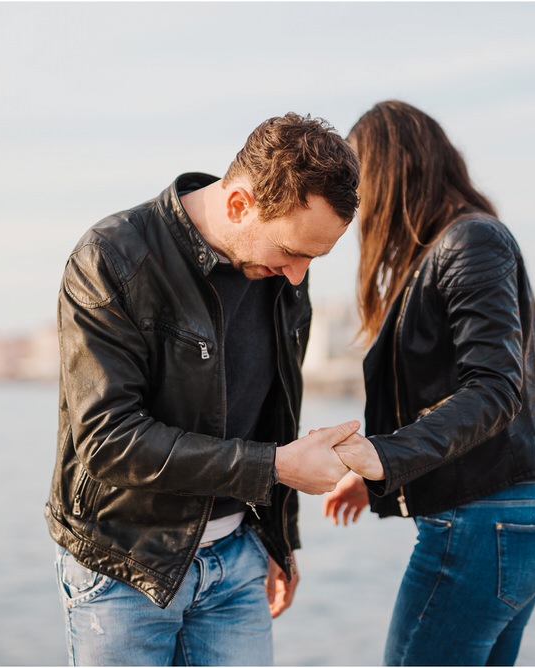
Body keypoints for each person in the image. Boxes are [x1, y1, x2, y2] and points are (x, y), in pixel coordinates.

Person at [45, 112, 363, 666]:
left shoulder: (285, 277)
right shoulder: (111, 259)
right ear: (239, 205)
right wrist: (277, 469)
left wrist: (279, 543)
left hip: (239, 560)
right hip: (125, 567)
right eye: (291, 252)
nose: (297, 275)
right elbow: (107, 441)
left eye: (314, 259)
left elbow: (275, 418)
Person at [324, 100, 535, 666]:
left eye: (358, 184)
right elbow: (458, 391)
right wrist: (377, 478)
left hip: (484, 525)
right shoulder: (453, 247)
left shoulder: (469, 242)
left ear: (391, 173)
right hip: (508, 523)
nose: (353, 205)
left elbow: (493, 389)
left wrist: (384, 456)